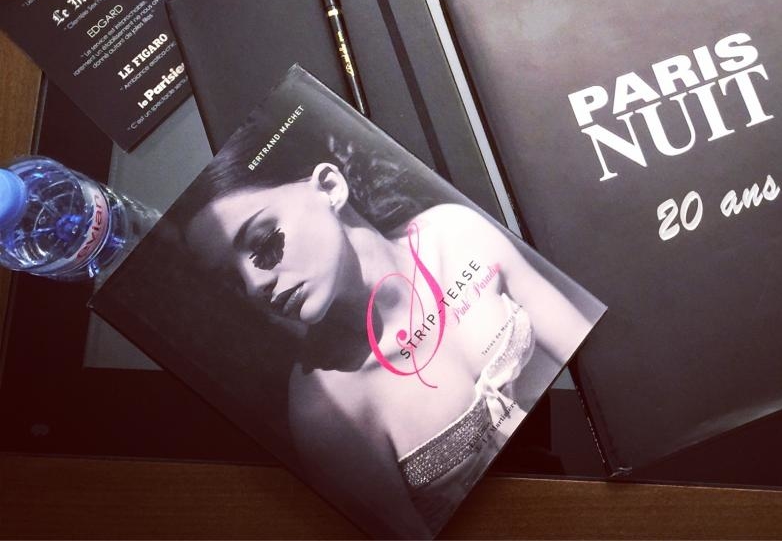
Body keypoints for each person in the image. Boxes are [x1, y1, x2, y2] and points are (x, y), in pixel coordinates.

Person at [180, 121, 598, 536]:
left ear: (329, 187)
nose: (255, 284)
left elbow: (595, 359)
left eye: (263, 241)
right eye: (231, 280)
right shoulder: (326, 409)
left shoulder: (454, 232)